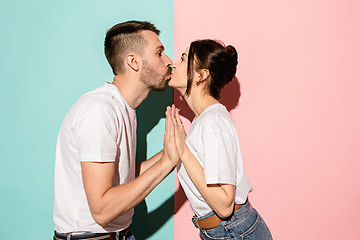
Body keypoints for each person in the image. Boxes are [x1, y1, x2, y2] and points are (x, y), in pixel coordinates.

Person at [53, 20, 179, 240]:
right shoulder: (100, 111)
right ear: (133, 61)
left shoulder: (121, 107)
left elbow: (124, 176)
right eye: (159, 53)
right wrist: (167, 162)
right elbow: (102, 211)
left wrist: (177, 152)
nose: (168, 61)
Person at [168, 39, 273, 240]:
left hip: (234, 232)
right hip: (225, 231)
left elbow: (224, 206)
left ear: (201, 75)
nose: (174, 64)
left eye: (183, 59)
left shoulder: (212, 121)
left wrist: (183, 151)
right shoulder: (204, 120)